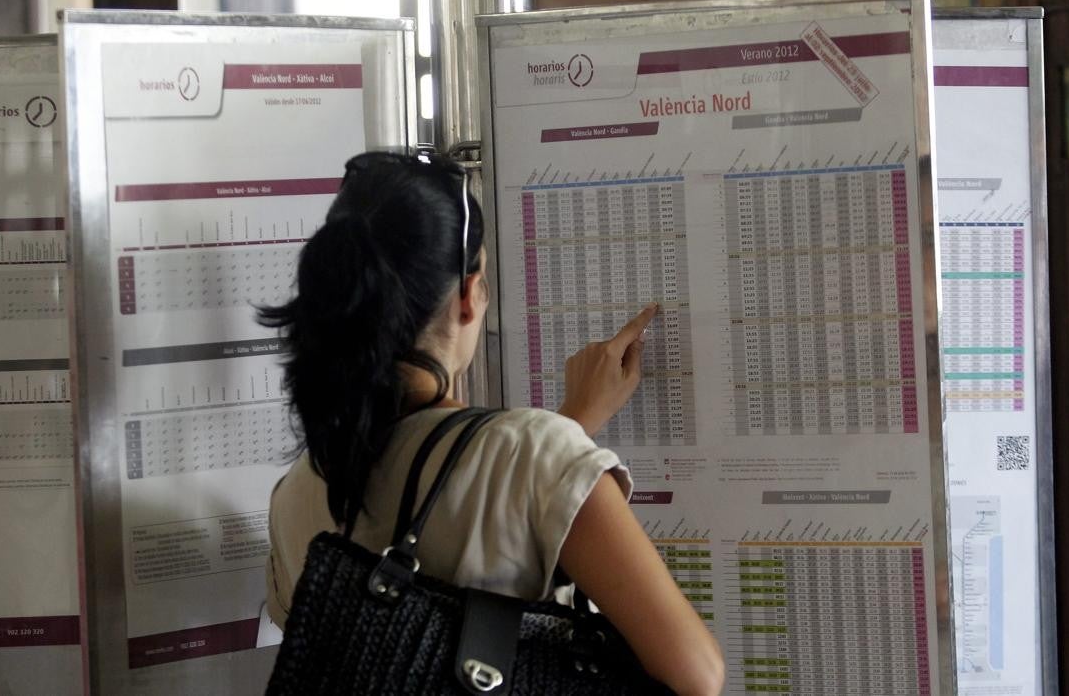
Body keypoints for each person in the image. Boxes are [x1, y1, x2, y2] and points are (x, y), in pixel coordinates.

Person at [260, 151, 724, 696]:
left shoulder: (299, 488)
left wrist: (569, 430)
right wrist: (564, 442)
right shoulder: (539, 459)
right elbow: (699, 675)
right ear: (465, 295)